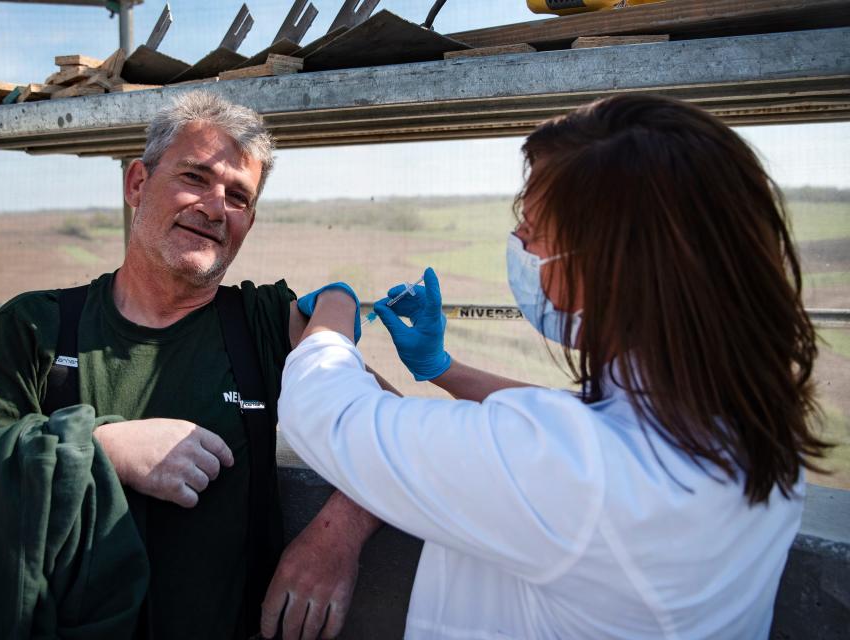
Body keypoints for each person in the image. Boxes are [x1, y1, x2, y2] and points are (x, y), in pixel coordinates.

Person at [278, 94, 829, 638]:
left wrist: (336, 307)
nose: (518, 241)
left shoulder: (580, 476)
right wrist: (442, 368)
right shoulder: (746, 421)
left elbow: (328, 413)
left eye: (534, 228)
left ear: (612, 268)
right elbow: (589, 421)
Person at [0, 91, 381, 640]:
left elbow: (393, 429)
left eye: (238, 196)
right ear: (137, 184)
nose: (215, 207)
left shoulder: (263, 325)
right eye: (195, 177)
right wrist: (101, 449)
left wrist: (334, 540)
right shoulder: (37, 327)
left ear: (249, 223)